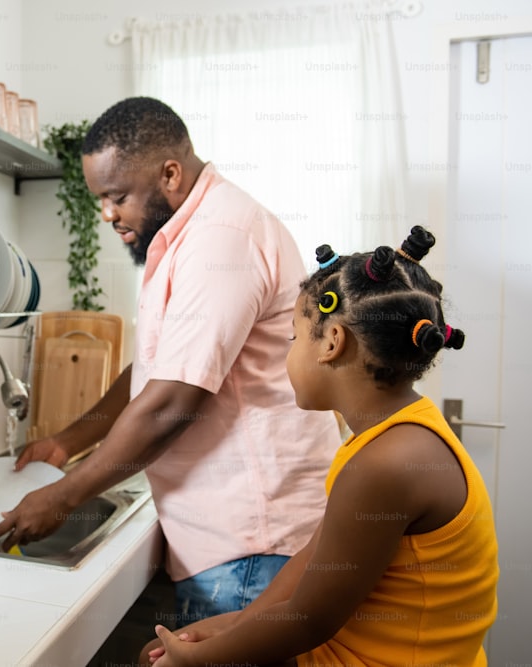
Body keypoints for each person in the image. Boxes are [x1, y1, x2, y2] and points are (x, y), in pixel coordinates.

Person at [0, 97, 341, 622]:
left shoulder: (221, 239)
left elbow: (171, 403)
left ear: (170, 174)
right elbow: (157, 372)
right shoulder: (188, 237)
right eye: (100, 199)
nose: (107, 214)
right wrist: (68, 442)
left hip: (252, 543)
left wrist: (64, 497)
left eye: (118, 196)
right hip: (229, 537)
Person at [143, 226, 499, 666]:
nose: (287, 354)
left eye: (294, 337)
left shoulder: (386, 464)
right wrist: (237, 621)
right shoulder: (389, 437)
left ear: (332, 343)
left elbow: (308, 620)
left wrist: (196, 659)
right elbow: (316, 555)